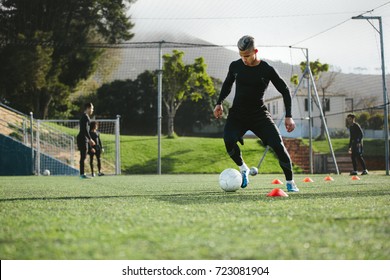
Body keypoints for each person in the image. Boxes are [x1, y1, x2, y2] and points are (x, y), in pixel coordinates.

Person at [213, 35, 299, 192]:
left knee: (278, 145)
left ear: (255, 51)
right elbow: (227, 85)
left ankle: (290, 182)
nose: (244, 59)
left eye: (247, 56)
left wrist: (289, 116)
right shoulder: (235, 66)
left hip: (259, 115)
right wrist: (219, 103)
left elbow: (285, 91)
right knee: (228, 140)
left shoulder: (267, 70)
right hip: (237, 115)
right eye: (241, 56)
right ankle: (243, 168)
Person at [77, 103, 95, 179]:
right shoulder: (85, 117)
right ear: (88, 108)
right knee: (83, 156)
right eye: (92, 108)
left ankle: (82, 173)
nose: (92, 110)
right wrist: (90, 139)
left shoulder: (86, 116)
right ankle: (82, 174)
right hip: (82, 138)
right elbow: (84, 130)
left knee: (84, 156)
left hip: (83, 138)